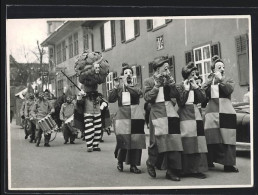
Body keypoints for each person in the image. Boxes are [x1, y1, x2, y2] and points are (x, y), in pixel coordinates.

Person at [143, 56, 183, 181]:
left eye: (168, 68)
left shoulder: (168, 80)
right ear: (157, 69)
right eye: (165, 69)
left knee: (174, 140)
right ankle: (151, 162)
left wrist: (172, 85)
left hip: (170, 111)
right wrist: (156, 86)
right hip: (157, 112)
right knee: (157, 141)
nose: (168, 71)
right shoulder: (148, 81)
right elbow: (148, 98)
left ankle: (171, 171)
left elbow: (177, 96)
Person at [203, 55, 239, 172]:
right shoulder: (210, 80)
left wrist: (221, 80)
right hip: (212, 111)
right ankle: (210, 160)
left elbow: (228, 89)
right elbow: (203, 92)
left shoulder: (228, 79)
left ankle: (228, 164)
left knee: (227, 138)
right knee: (210, 137)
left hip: (226, 111)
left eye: (223, 67)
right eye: (219, 67)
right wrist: (211, 80)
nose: (222, 69)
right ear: (213, 70)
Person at [109, 63, 146, 174]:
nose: (128, 74)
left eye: (130, 73)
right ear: (122, 75)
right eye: (126, 73)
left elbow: (138, 94)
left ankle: (133, 165)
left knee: (136, 139)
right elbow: (111, 99)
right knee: (123, 139)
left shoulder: (135, 86)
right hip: (122, 115)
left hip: (135, 114)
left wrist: (127, 85)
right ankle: (120, 161)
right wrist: (115, 87)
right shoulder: (119, 88)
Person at [177, 62, 208, 179]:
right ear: (187, 75)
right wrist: (186, 89)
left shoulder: (196, 85)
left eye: (196, 74)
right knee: (186, 141)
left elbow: (202, 100)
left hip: (196, 114)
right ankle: (185, 169)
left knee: (198, 141)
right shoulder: (180, 86)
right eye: (192, 74)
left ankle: (197, 169)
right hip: (184, 114)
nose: (195, 76)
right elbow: (181, 102)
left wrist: (196, 88)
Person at [74, 51, 110, 152]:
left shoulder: (96, 80)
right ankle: (90, 145)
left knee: (98, 126)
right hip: (88, 104)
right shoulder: (84, 78)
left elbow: (99, 79)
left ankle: (95, 145)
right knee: (89, 125)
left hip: (96, 102)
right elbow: (83, 78)